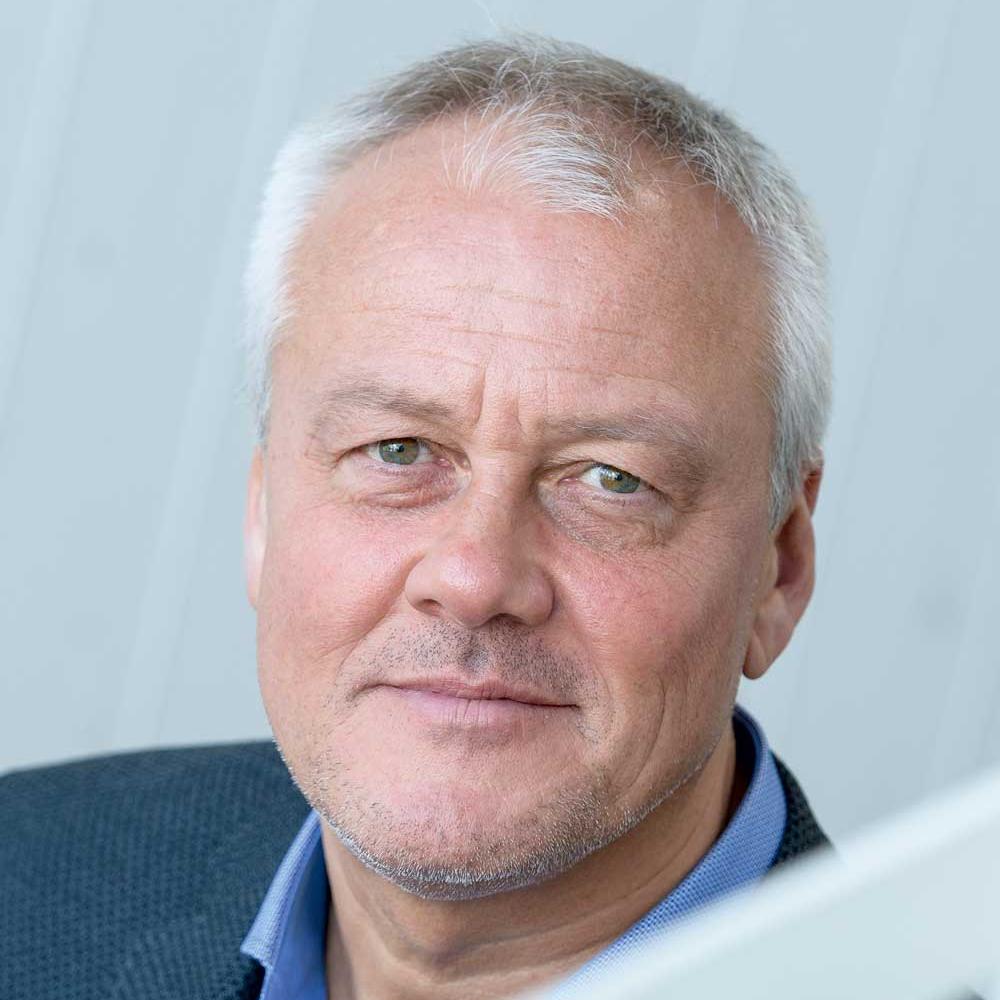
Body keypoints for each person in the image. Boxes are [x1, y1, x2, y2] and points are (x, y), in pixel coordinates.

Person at [2, 33, 835, 1000]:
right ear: (264, 515)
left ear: (780, 566)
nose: (475, 578)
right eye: (396, 453)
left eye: (610, 479)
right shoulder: (23, 887)